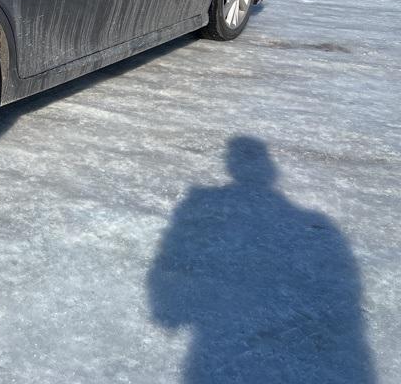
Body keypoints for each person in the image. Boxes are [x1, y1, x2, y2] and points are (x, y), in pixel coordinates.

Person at [148, 136, 375, 383]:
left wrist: (166, 309)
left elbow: (170, 260)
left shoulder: (204, 203)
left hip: (219, 338)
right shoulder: (315, 223)